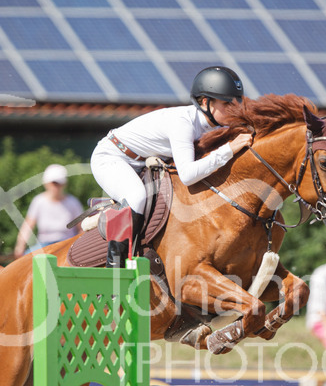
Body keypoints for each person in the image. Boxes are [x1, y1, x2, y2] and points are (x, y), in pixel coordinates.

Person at [90, 65, 253, 267]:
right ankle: (114, 268)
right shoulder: (183, 123)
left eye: (236, 103)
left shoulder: (215, 125)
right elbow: (188, 175)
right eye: (226, 103)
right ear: (205, 102)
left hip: (139, 161)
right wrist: (230, 149)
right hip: (112, 156)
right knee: (137, 196)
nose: (233, 109)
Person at [13, 164, 84, 258]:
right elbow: (27, 226)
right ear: (46, 183)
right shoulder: (38, 201)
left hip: (67, 245)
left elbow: (81, 228)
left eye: (59, 183)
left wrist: (78, 245)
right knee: (25, 262)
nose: (56, 186)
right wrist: (20, 246)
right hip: (44, 245)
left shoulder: (73, 202)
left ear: (64, 184)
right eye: (53, 183)